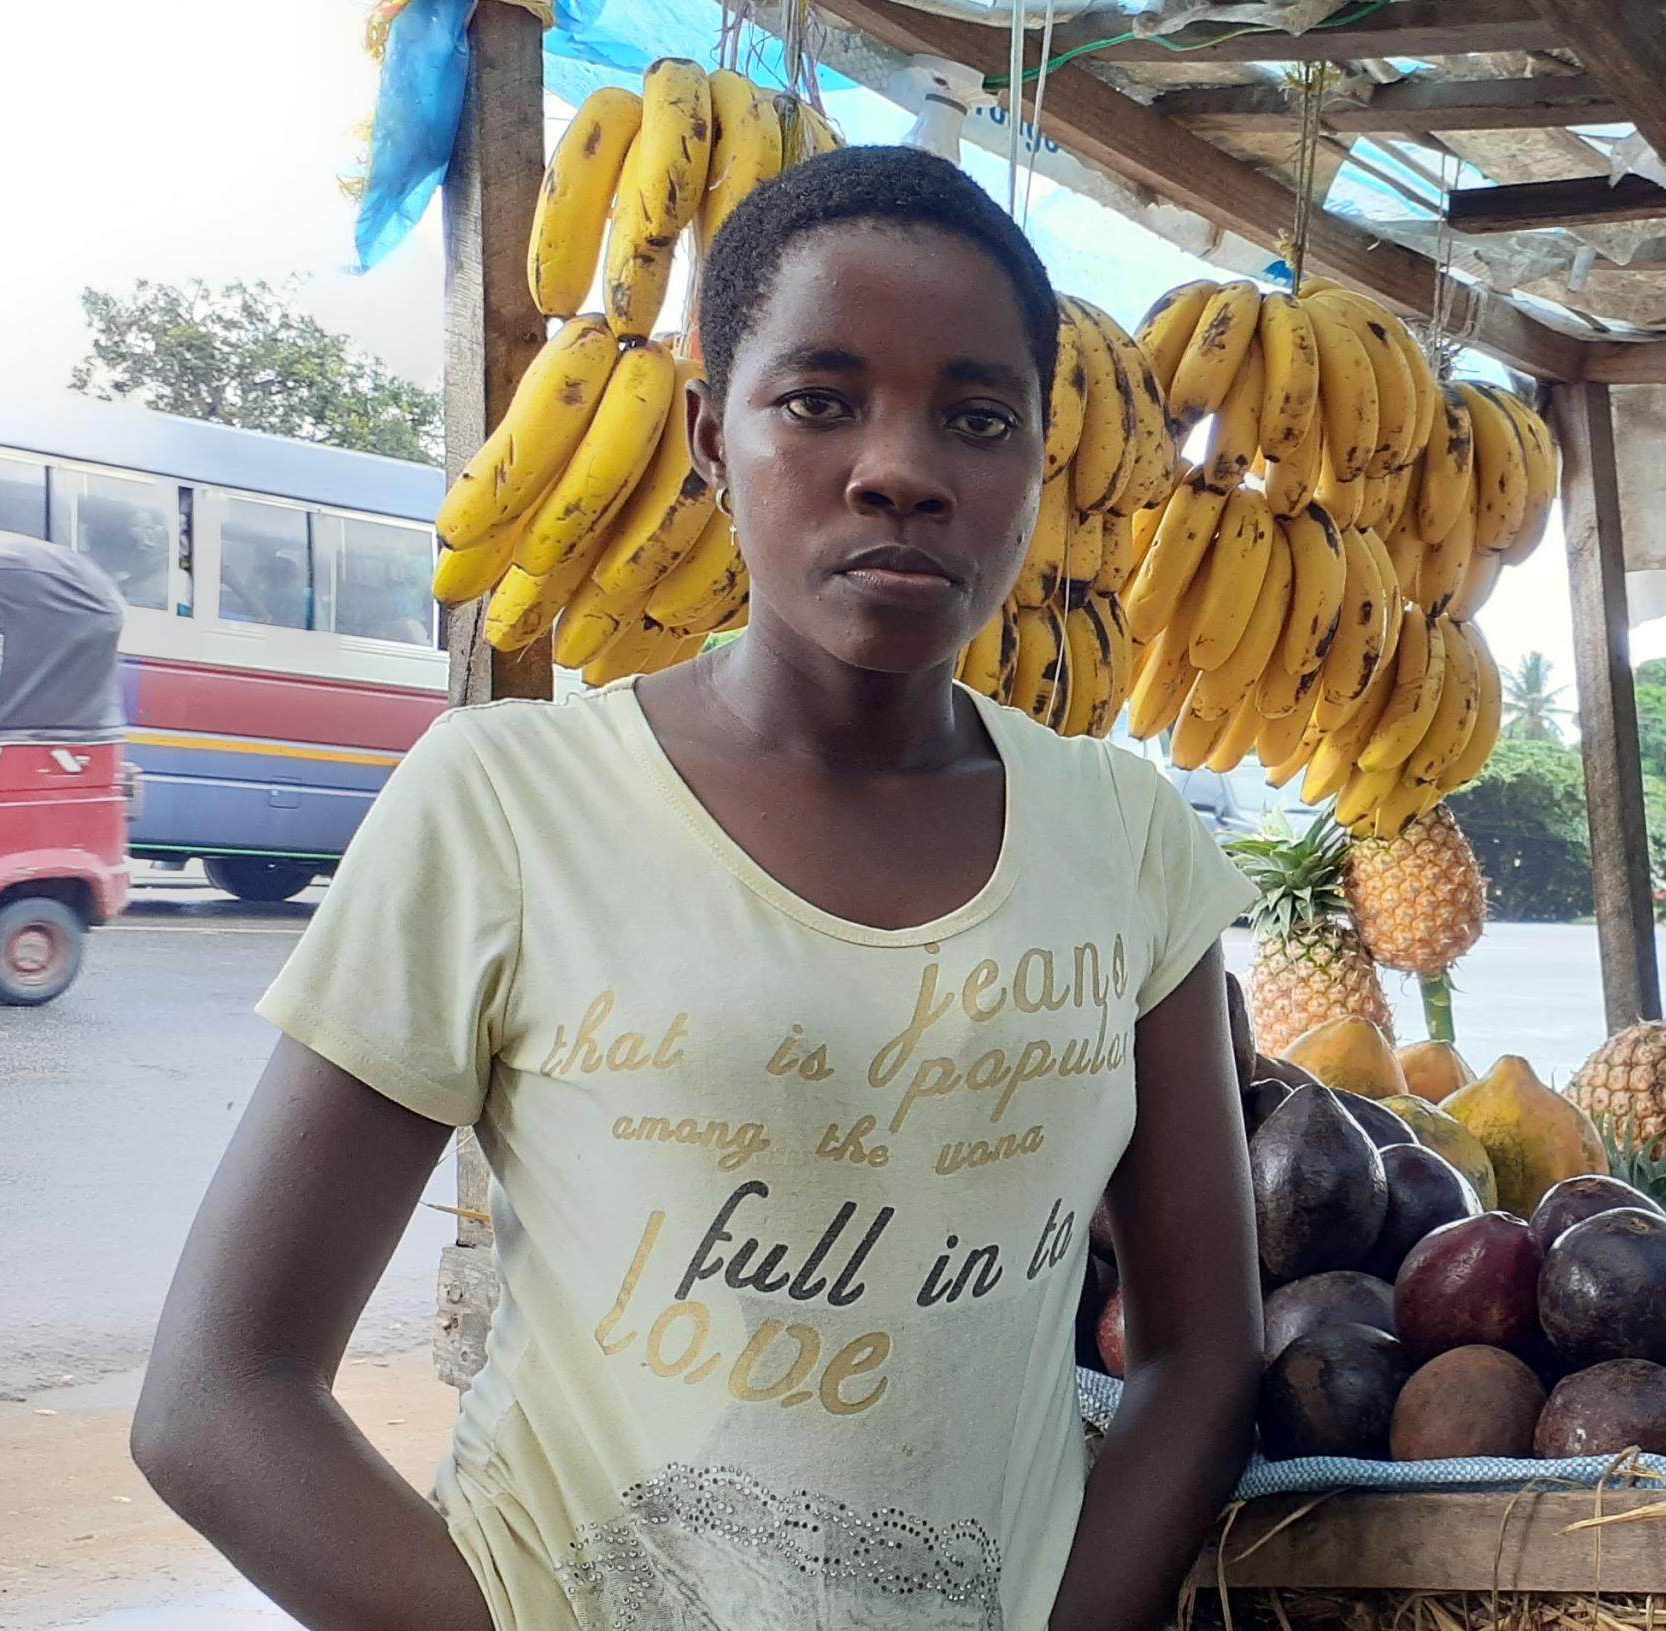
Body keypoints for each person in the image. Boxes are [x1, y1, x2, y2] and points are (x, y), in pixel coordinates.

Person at [131, 149, 1263, 1631]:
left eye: (978, 417)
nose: (902, 467)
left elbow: (1201, 1351)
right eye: (820, 399)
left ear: (1038, 463)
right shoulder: (508, 804)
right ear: (710, 435)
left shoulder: (1124, 835)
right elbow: (219, 1395)